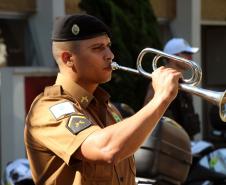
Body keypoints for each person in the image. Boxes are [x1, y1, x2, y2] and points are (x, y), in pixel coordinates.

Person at [24, 14, 181, 185]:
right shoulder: (49, 108)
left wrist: (156, 100)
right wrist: (160, 99)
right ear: (68, 58)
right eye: (98, 48)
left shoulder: (108, 109)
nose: (110, 55)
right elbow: (106, 149)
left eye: (108, 46)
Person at [144, 38, 200, 139]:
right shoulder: (160, 80)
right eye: (186, 53)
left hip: (185, 141)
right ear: (174, 57)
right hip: (169, 143)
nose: (191, 57)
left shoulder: (184, 81)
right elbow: (148, 114)